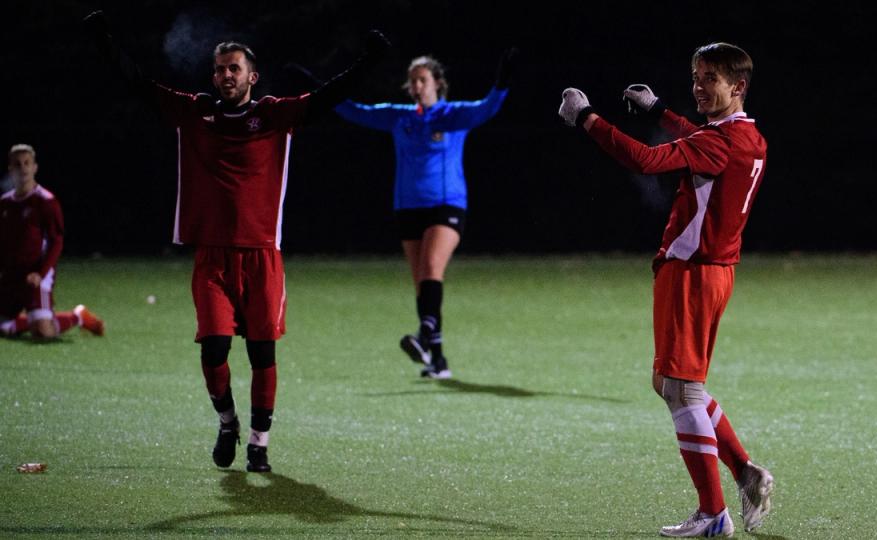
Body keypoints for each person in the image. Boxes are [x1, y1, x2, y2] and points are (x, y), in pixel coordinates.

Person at [83, 10, 389, 473]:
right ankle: (227, 422)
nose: (226, 76)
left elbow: (328, 98)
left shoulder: (272, 114)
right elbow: (138, 85)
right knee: (214, 348)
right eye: (220, 69)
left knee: (262, 352)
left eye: (234, 69)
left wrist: (368, 62)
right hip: (213, 257)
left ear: (252, 76)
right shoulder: (196, 110)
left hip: (262, 255)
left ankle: (259, 444)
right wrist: (105, 43)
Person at [558, 43, 774, 537]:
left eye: (711, 79)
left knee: (681, 389)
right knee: (674, 385)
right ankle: (747, 474)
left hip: (693, 273)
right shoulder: (749, 135)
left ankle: (714, 514)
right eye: (696, 76)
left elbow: (642, 159)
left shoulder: (717, 143)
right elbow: (704, 135)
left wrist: (586, 116)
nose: (699, 87)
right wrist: (659, 110)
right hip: (712, 271)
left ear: (737, 87)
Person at [334, 48, 516, 379]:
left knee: (432, 267)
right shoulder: (399, 117)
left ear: (437, 83)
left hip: (447, 205)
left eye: (422, 79)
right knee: (422, 283)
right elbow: (354, 111)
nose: (416, 85)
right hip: (407, 207)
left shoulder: (452, 115)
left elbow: (488, 107)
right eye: (412, 81)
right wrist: (318, 90)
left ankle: (423, 335)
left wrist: (501, 81)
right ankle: (438, 359)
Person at [1, 144, 105, 341]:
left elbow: (56, 242)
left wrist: (40, 273)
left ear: (34, 168)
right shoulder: (5, 203)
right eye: (17, 164)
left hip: (36, 275)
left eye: (27, 163)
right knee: (5, 327)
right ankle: (30, 320)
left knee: (43, 333)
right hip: (12, 276)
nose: (22, 168)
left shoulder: (45, 201)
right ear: (10, 169)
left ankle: (78, 316)